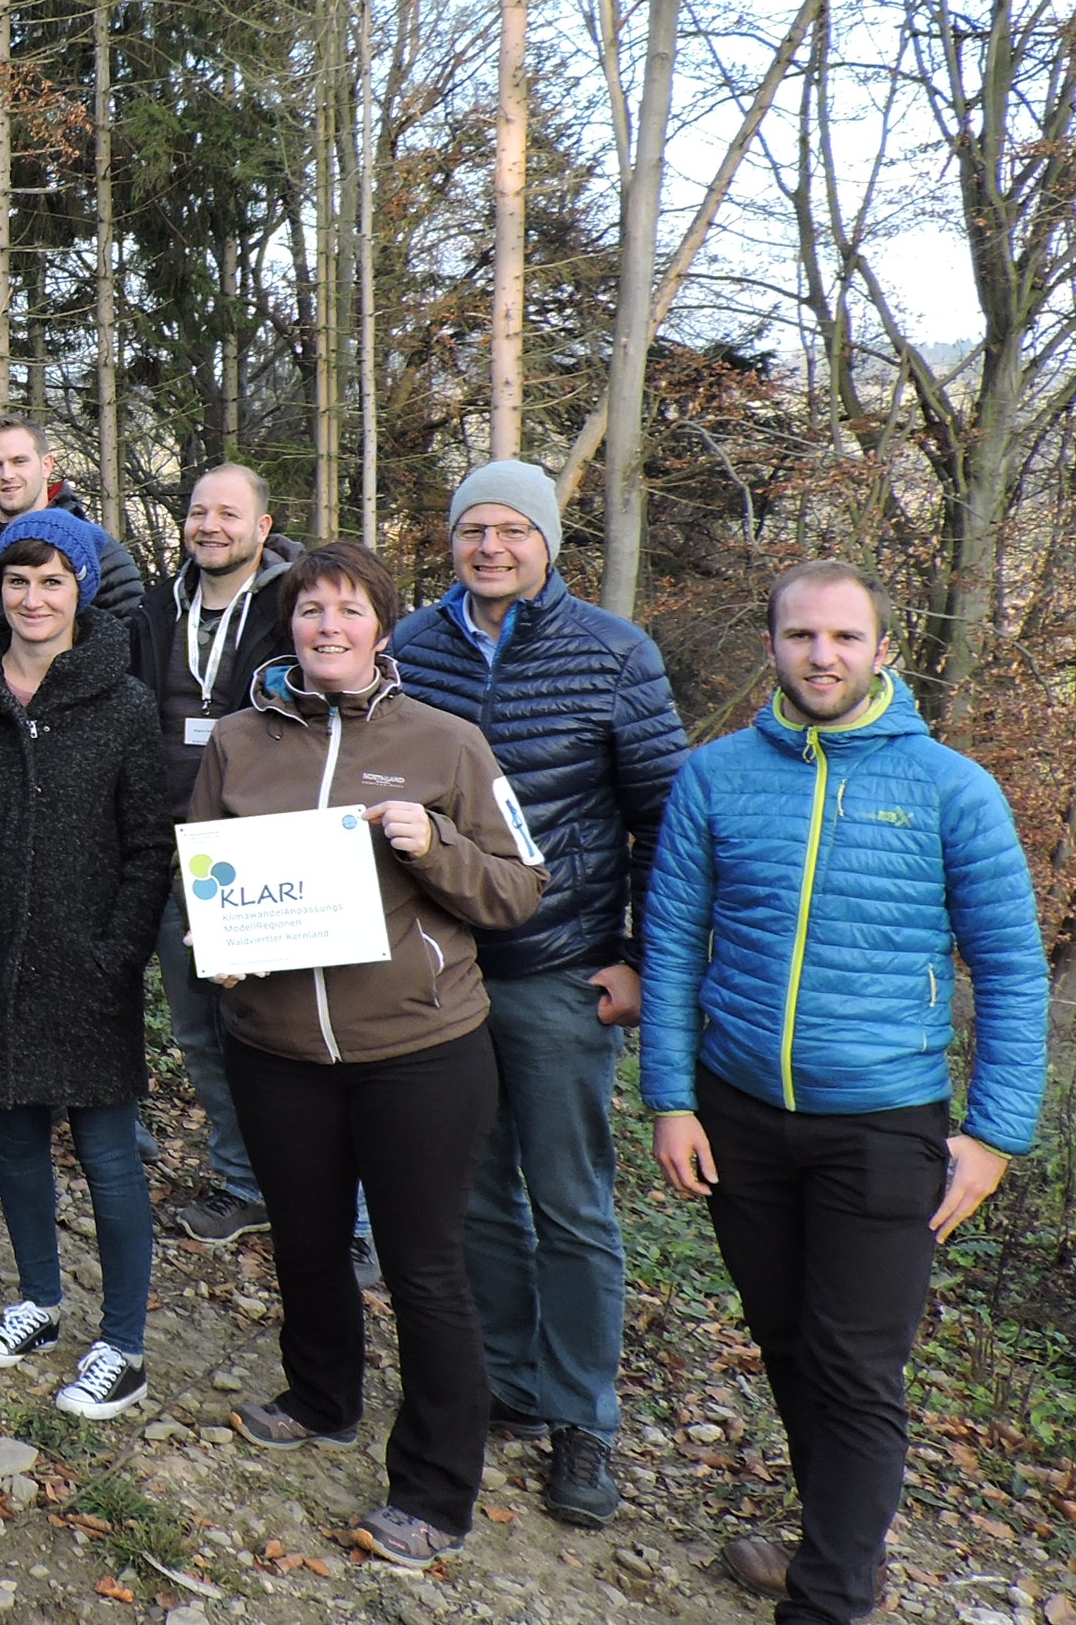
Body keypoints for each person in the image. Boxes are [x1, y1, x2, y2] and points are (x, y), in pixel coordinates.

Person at [643, 561, 1046, 1625]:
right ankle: (837, 1544)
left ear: (882, 645)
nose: (823, 655)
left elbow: (1012, 970)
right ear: (770, 645)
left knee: (858, 1368)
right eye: (801, 636)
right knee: (790, 1343)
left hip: (885, 1126)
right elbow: (670, 949)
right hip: (741, 1116)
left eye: (845, 636)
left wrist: (995, 1134)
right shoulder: (715, 779)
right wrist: (672, 1098)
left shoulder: (950, 790)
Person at [189, 543, 546, 1569]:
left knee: (426, 1268)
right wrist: (214, 950)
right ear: (289, 628)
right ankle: (320, 1396)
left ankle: (435, 1490)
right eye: (310, 612)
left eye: (348, 611)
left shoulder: (448, 743)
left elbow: (520, 887)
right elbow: (205, 871)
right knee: (303, 1239)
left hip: (419, 1050)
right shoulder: (241, 743)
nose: (327, 627)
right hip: (277, 1045)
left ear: (383, 630)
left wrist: (434, 846)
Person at [389, 458, 686, 1530]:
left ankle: (584, 1417)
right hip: (444, 972)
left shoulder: (614, 655)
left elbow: (669, 820)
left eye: (514, 531)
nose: (491, 549)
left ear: (549, 543)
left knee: (571, 1201)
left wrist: (644, 959)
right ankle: (508, 1380)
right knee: (472, 1192)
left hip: (564, 971)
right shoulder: (412, 645)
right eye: (475, 529)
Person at [0, 505, 173, 1419]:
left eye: (52, 581)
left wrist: (116, 953)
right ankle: (38, 1300)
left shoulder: (125, 703)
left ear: (81, 591)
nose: (32, 598)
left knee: (107, 1157)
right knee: (15, 1142)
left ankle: (125, 1344)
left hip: (86, 965)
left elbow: (148, 848)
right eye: (17, 580)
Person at [129, 461, 301, 1245]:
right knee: (199, 1031)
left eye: (230, 514)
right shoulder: (156, 608)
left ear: (262, 528)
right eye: (200, 512)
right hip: (173, 848)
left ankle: (343, 1207)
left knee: (279, 1030)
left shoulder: (295, 608)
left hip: (257, 851)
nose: (210, 526)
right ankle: (245, 1182)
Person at [0, 416, 145, 666]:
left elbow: (134, 656)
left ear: (47, 465)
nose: (7, 475)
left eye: (19, 461)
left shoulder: (104, 556)